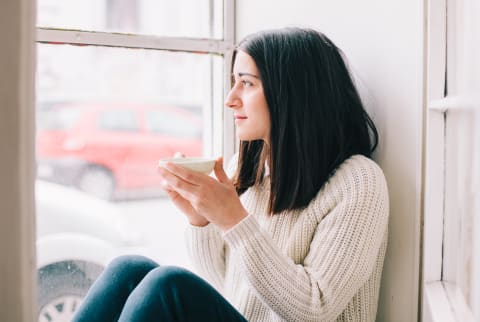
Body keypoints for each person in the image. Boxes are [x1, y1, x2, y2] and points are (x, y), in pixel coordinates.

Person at [72, 27, 389, 322]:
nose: (230, 98)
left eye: (247, 83)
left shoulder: (358, 182)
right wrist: (202, 219)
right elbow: (226, 283)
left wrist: (233, 219)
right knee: (128, 269)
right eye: (233, 81)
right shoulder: (250, 168)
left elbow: (315, 309)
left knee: (169, 285)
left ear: (292, 94)